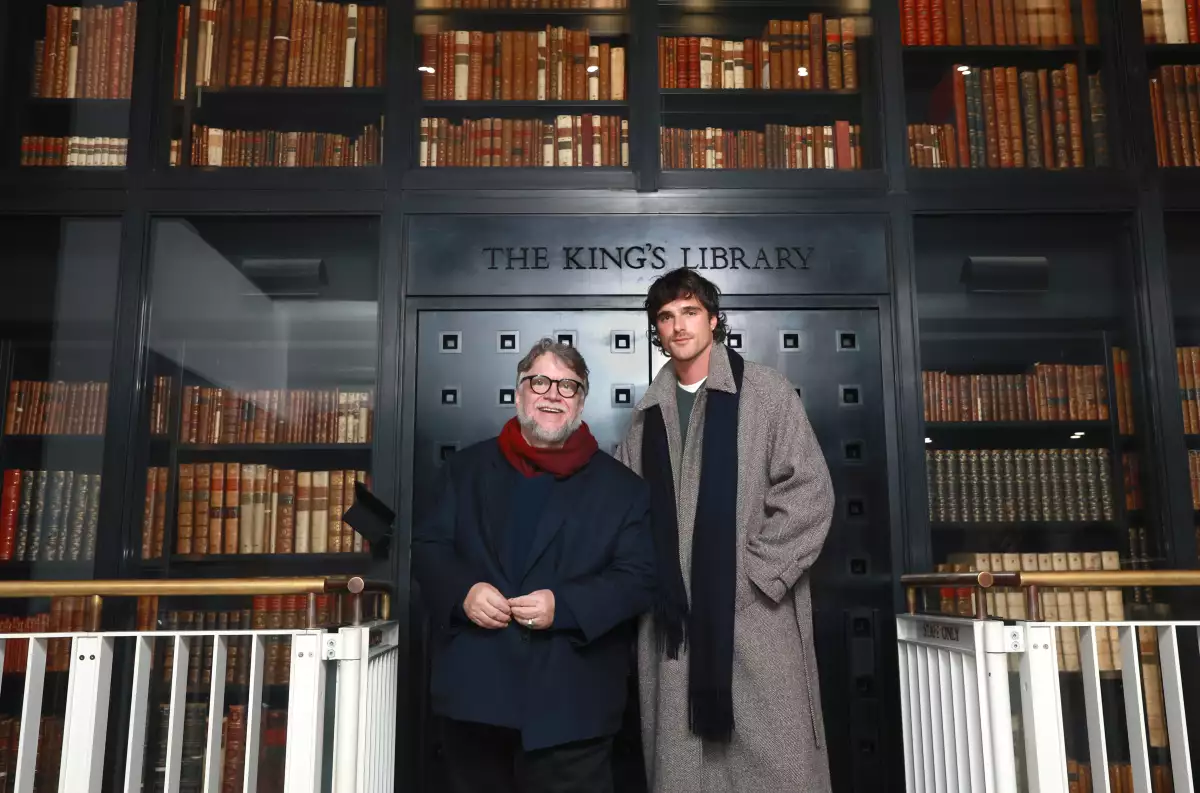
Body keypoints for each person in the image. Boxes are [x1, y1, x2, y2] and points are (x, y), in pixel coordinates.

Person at [616, 269, 835, 793]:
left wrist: (751, 577)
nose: (678, 325)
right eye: (665, 317)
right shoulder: (646, 417)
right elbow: (625, 514)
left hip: (757, 617)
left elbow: (809, 491)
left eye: (689, 312)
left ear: (713, 320)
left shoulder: (766, 392)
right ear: (657, 331)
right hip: (676, 628)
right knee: (685, 767)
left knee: (778, 766)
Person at [412, 337, 657, 793]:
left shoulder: (623, 490)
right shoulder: (463, 470)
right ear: (519, 391)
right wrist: (463, 591)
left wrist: (562, 607)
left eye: (568, 386)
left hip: (573, 709)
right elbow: (428, 546)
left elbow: (638, 578)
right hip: (475, 703)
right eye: (539, 381)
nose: (552, 394)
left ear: (581, 402)